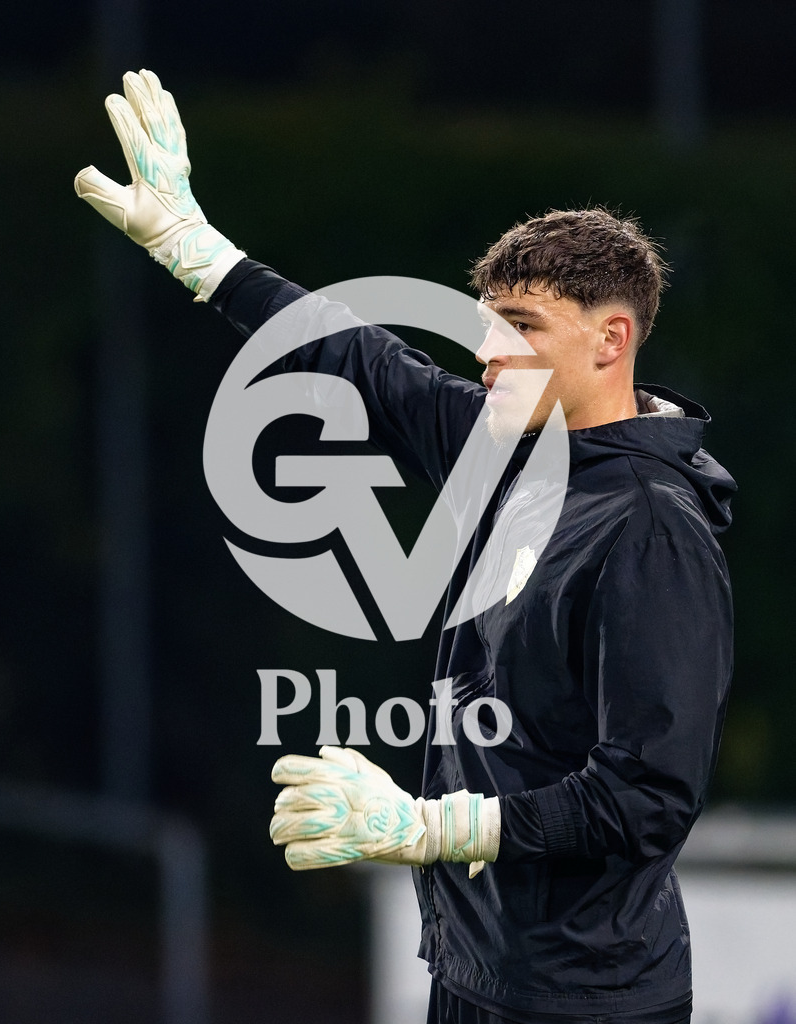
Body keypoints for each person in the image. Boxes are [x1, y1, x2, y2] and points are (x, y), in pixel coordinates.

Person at [75, 70, 735, 1024]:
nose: (488, 353)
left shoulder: (651, 527)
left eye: (521, 328)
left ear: (610, 339)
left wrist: (431, 825)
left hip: (584, 999)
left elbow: (649, 796)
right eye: (485, 327)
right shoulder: (512, 452)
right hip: (476, 973)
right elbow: (363, 360)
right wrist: (198, 252)